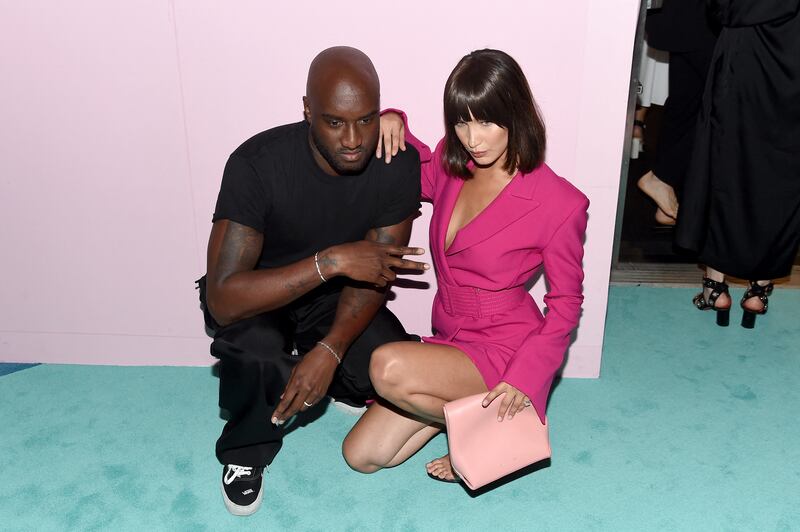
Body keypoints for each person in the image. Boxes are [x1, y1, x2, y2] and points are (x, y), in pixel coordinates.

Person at [199, 46, 429, 515]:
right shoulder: (257, 164)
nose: (352, 139)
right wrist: (330, 261)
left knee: (388, 364)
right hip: (260, 294)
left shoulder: (396, 163)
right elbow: (223, 299)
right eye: (334, 122)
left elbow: (375, 274)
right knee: (258, 356)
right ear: (307, 111)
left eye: (366, 120)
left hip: (339, 296)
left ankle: (340, 379)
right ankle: (245, 453)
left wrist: (330, 349)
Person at [342, 49, 589, 483]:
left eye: (487, 122)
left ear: (516, 115)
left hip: (504, 347)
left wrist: (527, 378)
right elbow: (405, 166)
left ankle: (492, 427)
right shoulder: (452, 163)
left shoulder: (560, 203)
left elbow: (566, 304)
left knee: (386, 367)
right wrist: (390, 118)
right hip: (451, 335)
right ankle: (469, 417)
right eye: (461, 121)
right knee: (362, 455)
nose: (473, 138)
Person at [675, 1, 800, 329]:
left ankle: (715, 288)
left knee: (726, 169)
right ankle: (759, 291)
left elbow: (722, 10)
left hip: (743, 66)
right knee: (783, 177)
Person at [636, 0, 718, 225]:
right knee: (729, 105)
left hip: (681, 13)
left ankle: (668, 193)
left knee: (688, 101)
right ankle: (663, 176)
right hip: (702, 14)